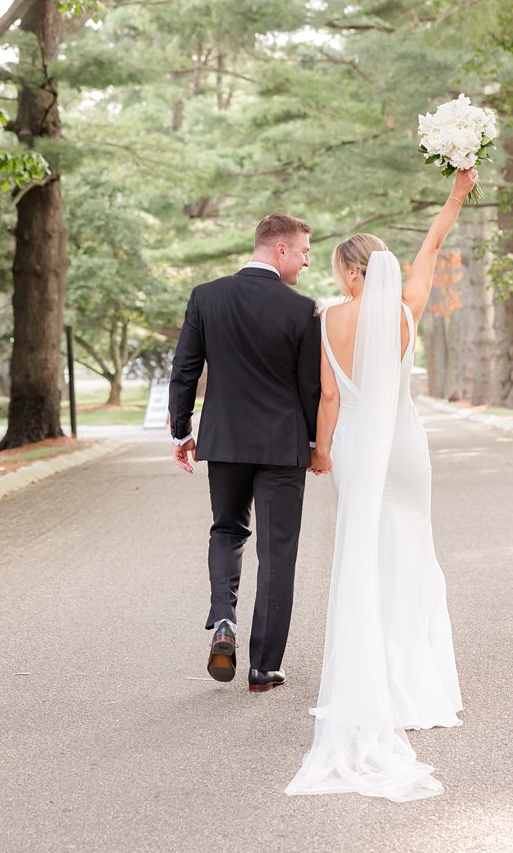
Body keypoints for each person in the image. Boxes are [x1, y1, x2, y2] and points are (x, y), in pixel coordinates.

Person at [285, 168, 477, 802]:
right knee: (412, 550)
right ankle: (416, 681)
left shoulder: (329, 320)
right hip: (407, 446)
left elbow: (332, 396)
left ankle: (372, 682)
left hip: (361, 448)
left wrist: (320, 453)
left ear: (347, 272)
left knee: (364, 555)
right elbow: (430, 250)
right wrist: (455, 195)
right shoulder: (404, 310)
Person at [168, 213, 320, 693]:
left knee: (227, 530)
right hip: (282, 447)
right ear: (280, 250)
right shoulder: (302, 310)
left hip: (225, 442)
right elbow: (310, 388)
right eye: (303, 252)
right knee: (277, 553)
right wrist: (316, 444)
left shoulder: (206, 297)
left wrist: (181, 431)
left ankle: (224, 621)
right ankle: (262, 668)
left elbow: (184, 369)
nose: (306, 262)